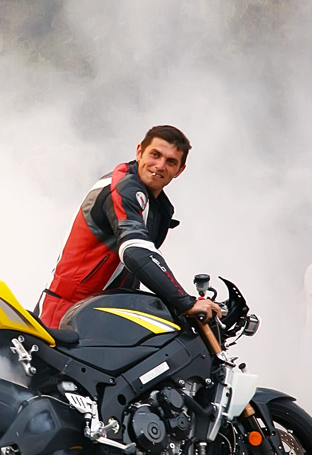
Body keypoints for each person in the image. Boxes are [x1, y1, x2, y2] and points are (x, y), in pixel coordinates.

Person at [37, 124, 222, 329]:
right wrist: (185, 302)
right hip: (67, 308)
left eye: (171, 162)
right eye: (155, 155)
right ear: (139, 152)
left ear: (180, 170)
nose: (160, 166)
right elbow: (135, 251)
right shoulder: (123, 187)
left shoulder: (159, 206)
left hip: (104, 311)